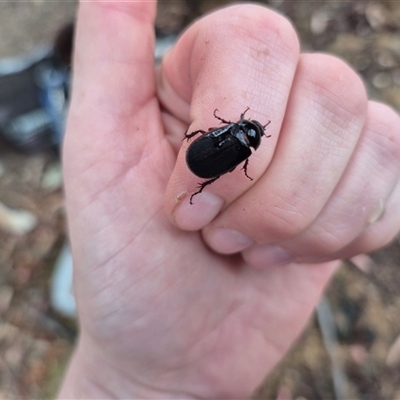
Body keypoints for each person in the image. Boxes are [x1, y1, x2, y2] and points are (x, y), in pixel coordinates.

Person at [58, 1, 400, 398]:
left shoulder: (236, 138)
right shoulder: (243, 146)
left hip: (201, 161)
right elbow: (217, 143)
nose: (253, 129)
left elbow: (216, 136)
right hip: (200, 164)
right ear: (247, 133)